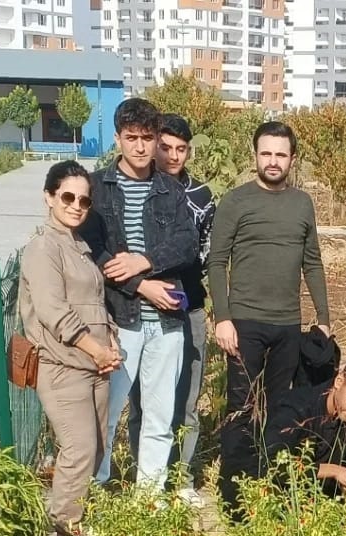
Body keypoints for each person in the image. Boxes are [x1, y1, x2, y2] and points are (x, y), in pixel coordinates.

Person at [81, 97, 198, 492]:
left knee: (159, 416)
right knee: (106, 412)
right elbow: (93, 253)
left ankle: (149, 497)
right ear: (117, 139)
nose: (140, 146)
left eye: (147, 138)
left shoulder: (170, 189)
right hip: (117, 322)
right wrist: (141, 284)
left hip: (166, 324)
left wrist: (142, 260)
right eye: (131, 138)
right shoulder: (97, 188)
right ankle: (97, 491)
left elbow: (187, 243)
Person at [209, 121, 331, 499]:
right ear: (255, 155)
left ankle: (271, 483)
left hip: (287, 324)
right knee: (242, 407)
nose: (273, 161)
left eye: (280, 154)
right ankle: (234, 491)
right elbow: (217, 261)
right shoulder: (236, 201)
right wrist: (223, 318)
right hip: (245, 322)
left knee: (280, 408)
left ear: (292, 159)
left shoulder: (302, 203)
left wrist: (324, 319)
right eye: (266, 153)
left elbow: (312, 262)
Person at [18, 161, 123, 536]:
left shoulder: (77, 245)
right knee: (78, 449)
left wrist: (110, 342)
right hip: (62, 365)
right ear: (49, 197)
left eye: (84, 200)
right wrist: (96, 349)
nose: (76, 206)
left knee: (96, 449)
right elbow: (53, 311)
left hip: (93, 364)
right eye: (67, 197)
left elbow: (94, 303)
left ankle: (77, 525)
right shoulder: (43, 248)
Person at [148, 112, 216, 507]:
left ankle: (182, 477)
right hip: (144, 306)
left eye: (181, 149)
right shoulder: (140, 189)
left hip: (189, 305)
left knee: (187, 398)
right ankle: (149, 480)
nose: (173, 156)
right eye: (166, 147)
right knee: (147, 400)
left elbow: (207, 253)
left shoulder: (202, 197)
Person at [218, 354, 346, 517]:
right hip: (250, 494)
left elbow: (342, 468)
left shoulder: (345, 417)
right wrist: (334, 471)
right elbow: (274, 465)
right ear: (339, 381)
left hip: (298, 496)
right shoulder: (296, 409)